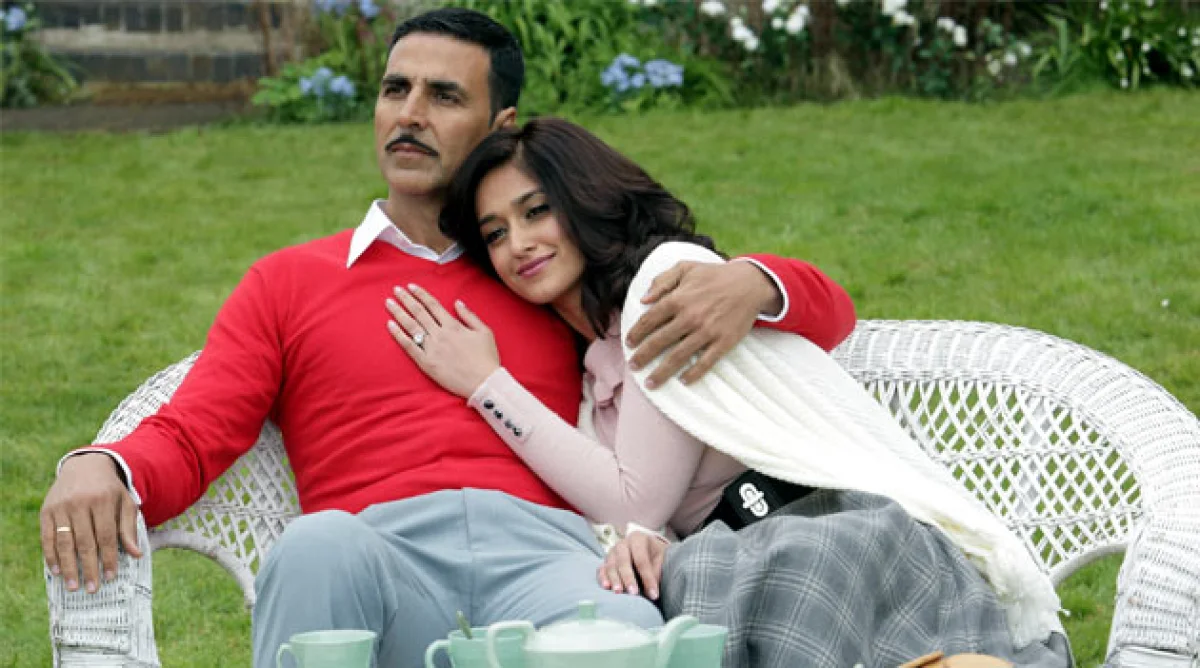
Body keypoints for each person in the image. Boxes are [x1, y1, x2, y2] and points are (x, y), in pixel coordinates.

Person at [38, 9, 855, 668]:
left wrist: (755, 282)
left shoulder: (541, 271)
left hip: (549, 558)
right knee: (314, 547)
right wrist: (101, 463)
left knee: (623, 630)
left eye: (443, 96)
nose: (410, 114)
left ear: (500, 124)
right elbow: (196, 429)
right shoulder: (290, 281)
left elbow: (818, 313)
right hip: (376, 552)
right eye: (395, 89)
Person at [385, 118, 1073, 668]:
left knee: (719, 577)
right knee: (681, 587)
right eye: (496, 233)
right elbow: (634, 516)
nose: (519, 244)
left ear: (584, 199)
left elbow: (634, 497)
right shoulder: (591, 366)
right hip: (737, 564)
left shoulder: (667, 289)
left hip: (828, 536)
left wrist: (486, 385)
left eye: (537, 211)